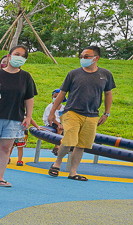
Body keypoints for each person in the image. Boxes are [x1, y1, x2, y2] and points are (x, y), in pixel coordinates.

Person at [46, 46, 116, 181]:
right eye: (81, 56)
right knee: (69, 140)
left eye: (86, 56)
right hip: (72, 112)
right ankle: (57, 164)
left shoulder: (105, 75)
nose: (82, 59)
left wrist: (106, 113)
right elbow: (62, 93)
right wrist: (52, 112)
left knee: (82, 144)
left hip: (92, 114)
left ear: (96, 58)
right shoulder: (73, 74)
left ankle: (73, 172)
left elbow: (108, 94)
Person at [0, 45, 36, 188]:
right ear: (9, 55)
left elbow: (29, 98)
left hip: (14, 117)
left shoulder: (26, 77)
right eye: (16, 54)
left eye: (22, 56)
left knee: (6, 148)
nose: (19, 57)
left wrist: (28, 116)